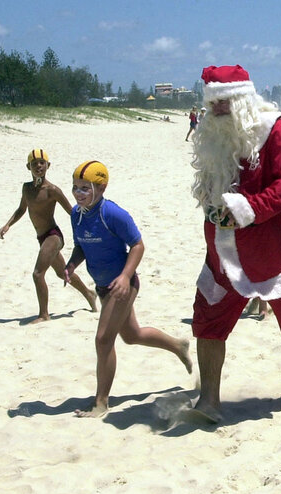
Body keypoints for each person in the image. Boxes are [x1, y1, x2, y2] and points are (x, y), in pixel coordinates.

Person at [190, 65, 281, 423]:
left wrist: (251, 208)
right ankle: (209, 398)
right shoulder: (213, 136)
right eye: (213, 102)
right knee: (207, 317)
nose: (218, 109)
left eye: (225, 102)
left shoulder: (273, 131)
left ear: (244, 99)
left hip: (271, 247)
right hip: (222, 248)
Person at [64, 161, 192, 418]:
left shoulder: (112, 214)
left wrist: (125, 276)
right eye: (75, 188)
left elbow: (137, 246)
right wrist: (71, 265)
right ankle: (178, 346)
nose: (78, 194)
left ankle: (101, 402)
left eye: (85, 189)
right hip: (102, 286)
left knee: (103, 340)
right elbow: (82, 246)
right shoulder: (76, 215)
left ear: (101, 188)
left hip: (122, 286)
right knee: (132, 335)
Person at [0, 149, 98, 323]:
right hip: (41, 238)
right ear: (28, 166)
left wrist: (87, 229)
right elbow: (22, 209)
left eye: (41, 163)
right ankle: (89, 294)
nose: (38, 166)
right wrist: (8, 224)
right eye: (34, 163)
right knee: (62, 273)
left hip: (53, 236)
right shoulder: (27, 188)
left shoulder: (52, 190)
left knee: (38, 274)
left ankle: (44, 315)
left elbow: (72, 212)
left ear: (48, 166)